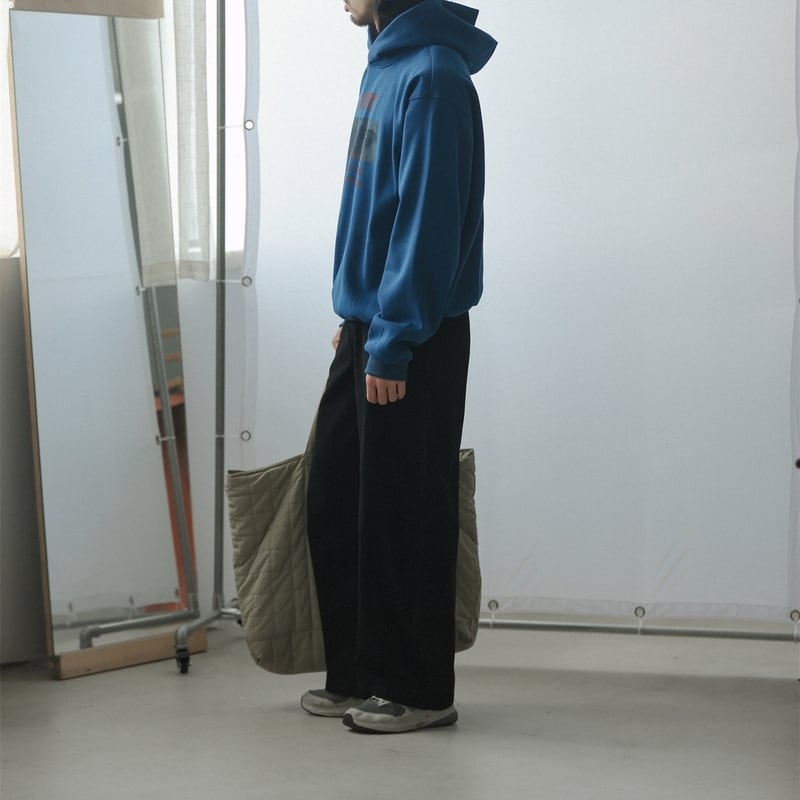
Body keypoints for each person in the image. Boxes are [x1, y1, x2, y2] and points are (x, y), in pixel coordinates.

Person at [302, 0, 496, 734]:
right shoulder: (385, 66)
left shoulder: (435, 76)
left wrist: (393, 337)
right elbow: (374, 210)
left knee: (404, 512)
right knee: (337, 500)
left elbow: (427, 222)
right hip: (371, 325)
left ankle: (418, 690)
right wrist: (358, 319)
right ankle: (360, 673)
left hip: (414, 335)